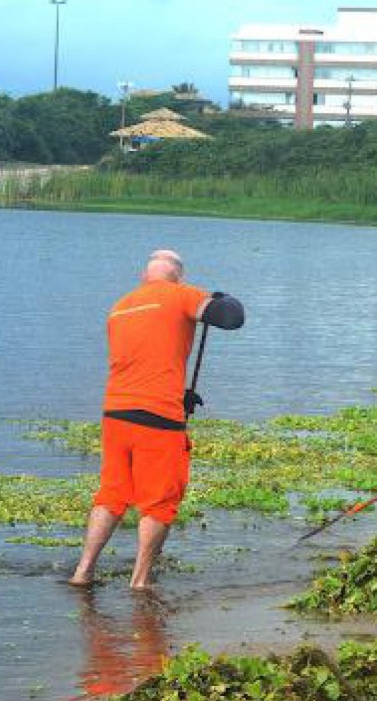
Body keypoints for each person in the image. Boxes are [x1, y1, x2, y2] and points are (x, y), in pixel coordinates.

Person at [70, 249, 244, 589]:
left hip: (116, 413)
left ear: (144, 277)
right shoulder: (181, 294)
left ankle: (83, 571)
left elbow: (144, 360)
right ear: (178, 276)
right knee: (160, 502)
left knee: (112, 495)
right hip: (158, 419)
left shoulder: (120, 306)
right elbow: (231, 318)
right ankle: (141, 580)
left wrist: (180, 395)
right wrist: (222, 297)